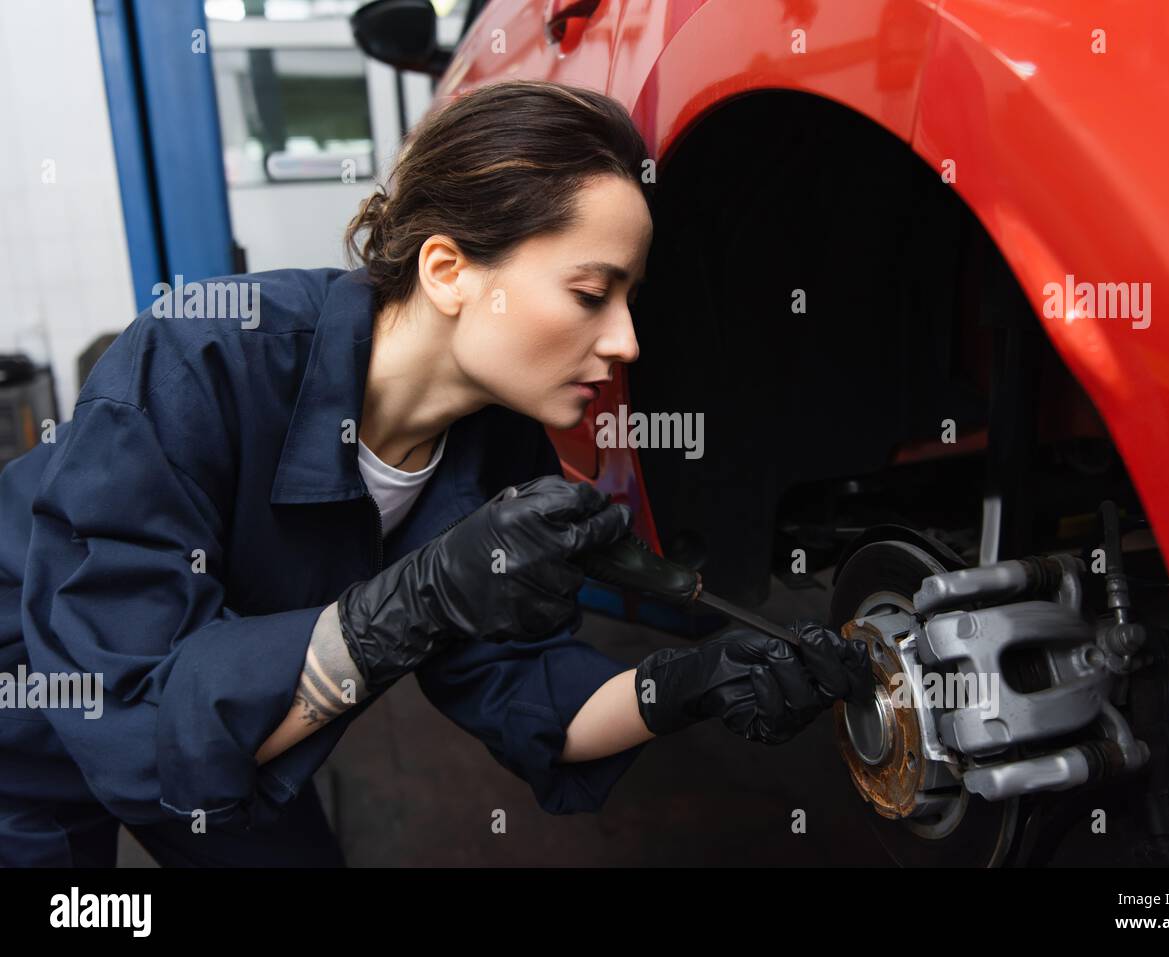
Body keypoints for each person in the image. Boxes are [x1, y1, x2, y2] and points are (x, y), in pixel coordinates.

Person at [0, 79, 871, 866]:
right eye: (590, 292)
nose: (626, 341)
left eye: (631, 299)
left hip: (235, 733)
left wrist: (691, 682)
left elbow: (526, 691)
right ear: (450, 270)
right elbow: (134, 723)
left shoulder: (498, 449)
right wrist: (410, 604)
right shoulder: (198, 362)